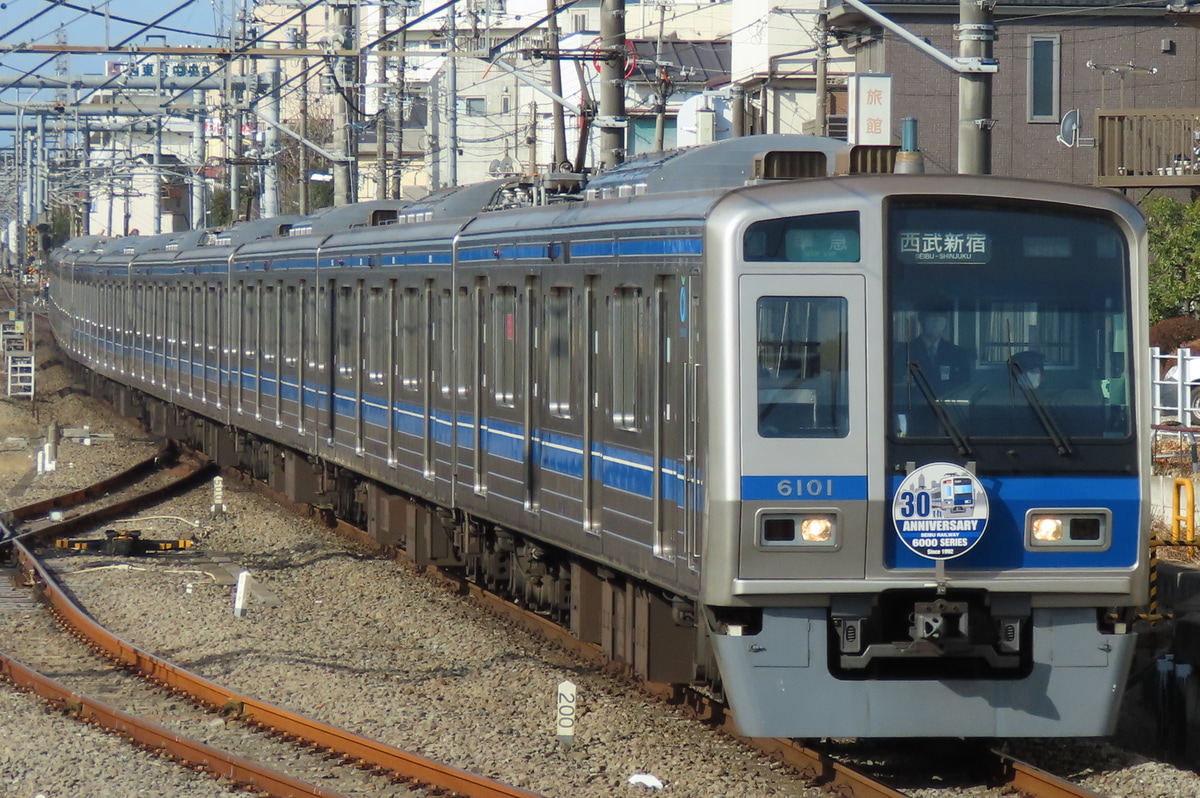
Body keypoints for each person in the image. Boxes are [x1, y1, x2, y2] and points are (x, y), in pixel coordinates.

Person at [896, 304, 972, 394]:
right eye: (932, 316)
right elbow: (897, 384)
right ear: (921, 318)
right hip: (915, 405)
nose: (937, 320)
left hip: (946, 407)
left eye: (941, 316)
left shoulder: (957, 353)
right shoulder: (904, 351)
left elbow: (964, 386)